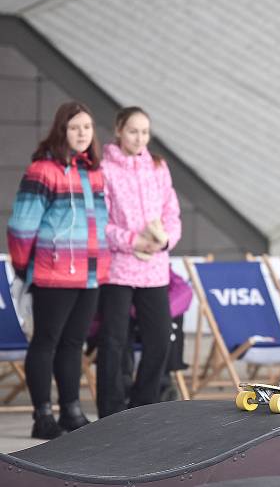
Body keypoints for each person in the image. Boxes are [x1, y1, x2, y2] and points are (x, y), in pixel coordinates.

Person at [7, 101, 110, 439]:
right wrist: (26, 267)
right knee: (46, 342)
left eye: (87, 127)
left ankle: (71, 410)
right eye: (75, 127)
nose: (82, 133)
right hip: (54, 273)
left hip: (90, 274)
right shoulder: (43, 170)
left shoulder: (94, 171)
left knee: (74, 344)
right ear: (61, 130)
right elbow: (21, 227)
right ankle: (42, 415)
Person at [96, 107, 181, 417]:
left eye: (145, 132)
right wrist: (134, 242)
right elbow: (101, 223)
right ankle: (110, 412)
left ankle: (141, 409)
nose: (140, 137)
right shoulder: (104, 169)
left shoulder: (158, 167)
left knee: (160, 339)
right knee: (113, 343)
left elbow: (172, 212)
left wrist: (166, 239)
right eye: (133, 131)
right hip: (118, 268)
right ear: (119, 129)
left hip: (154, 267)